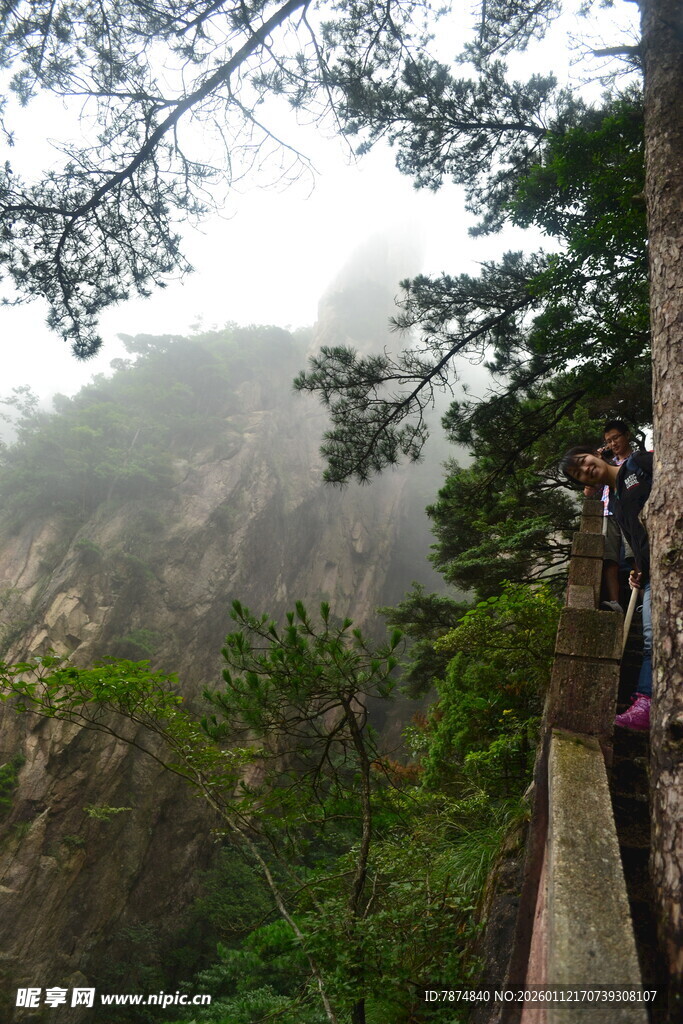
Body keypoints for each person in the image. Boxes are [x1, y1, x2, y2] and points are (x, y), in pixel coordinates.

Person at [560, 445, 653, 731]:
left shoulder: (638, 463)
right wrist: (639, 570)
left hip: (673, 557)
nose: (585, 470)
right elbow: (636, 538)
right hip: (653, 573)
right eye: (578, 473)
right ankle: (647, 702)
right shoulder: (613, 501)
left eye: (583, 461)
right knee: (651, 638)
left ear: (596, 454)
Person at [583, 420, 634, 613]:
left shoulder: (637, 459)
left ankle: (641, 597)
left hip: (630, 513)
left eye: (615, 438)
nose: (613, 443)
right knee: (610, 560)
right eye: (609, 441)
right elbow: (588, 492)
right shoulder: (606, 464)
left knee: (633, 555)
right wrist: (596, 460)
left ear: (627, 435)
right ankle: (615, 602)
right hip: (607, 512)